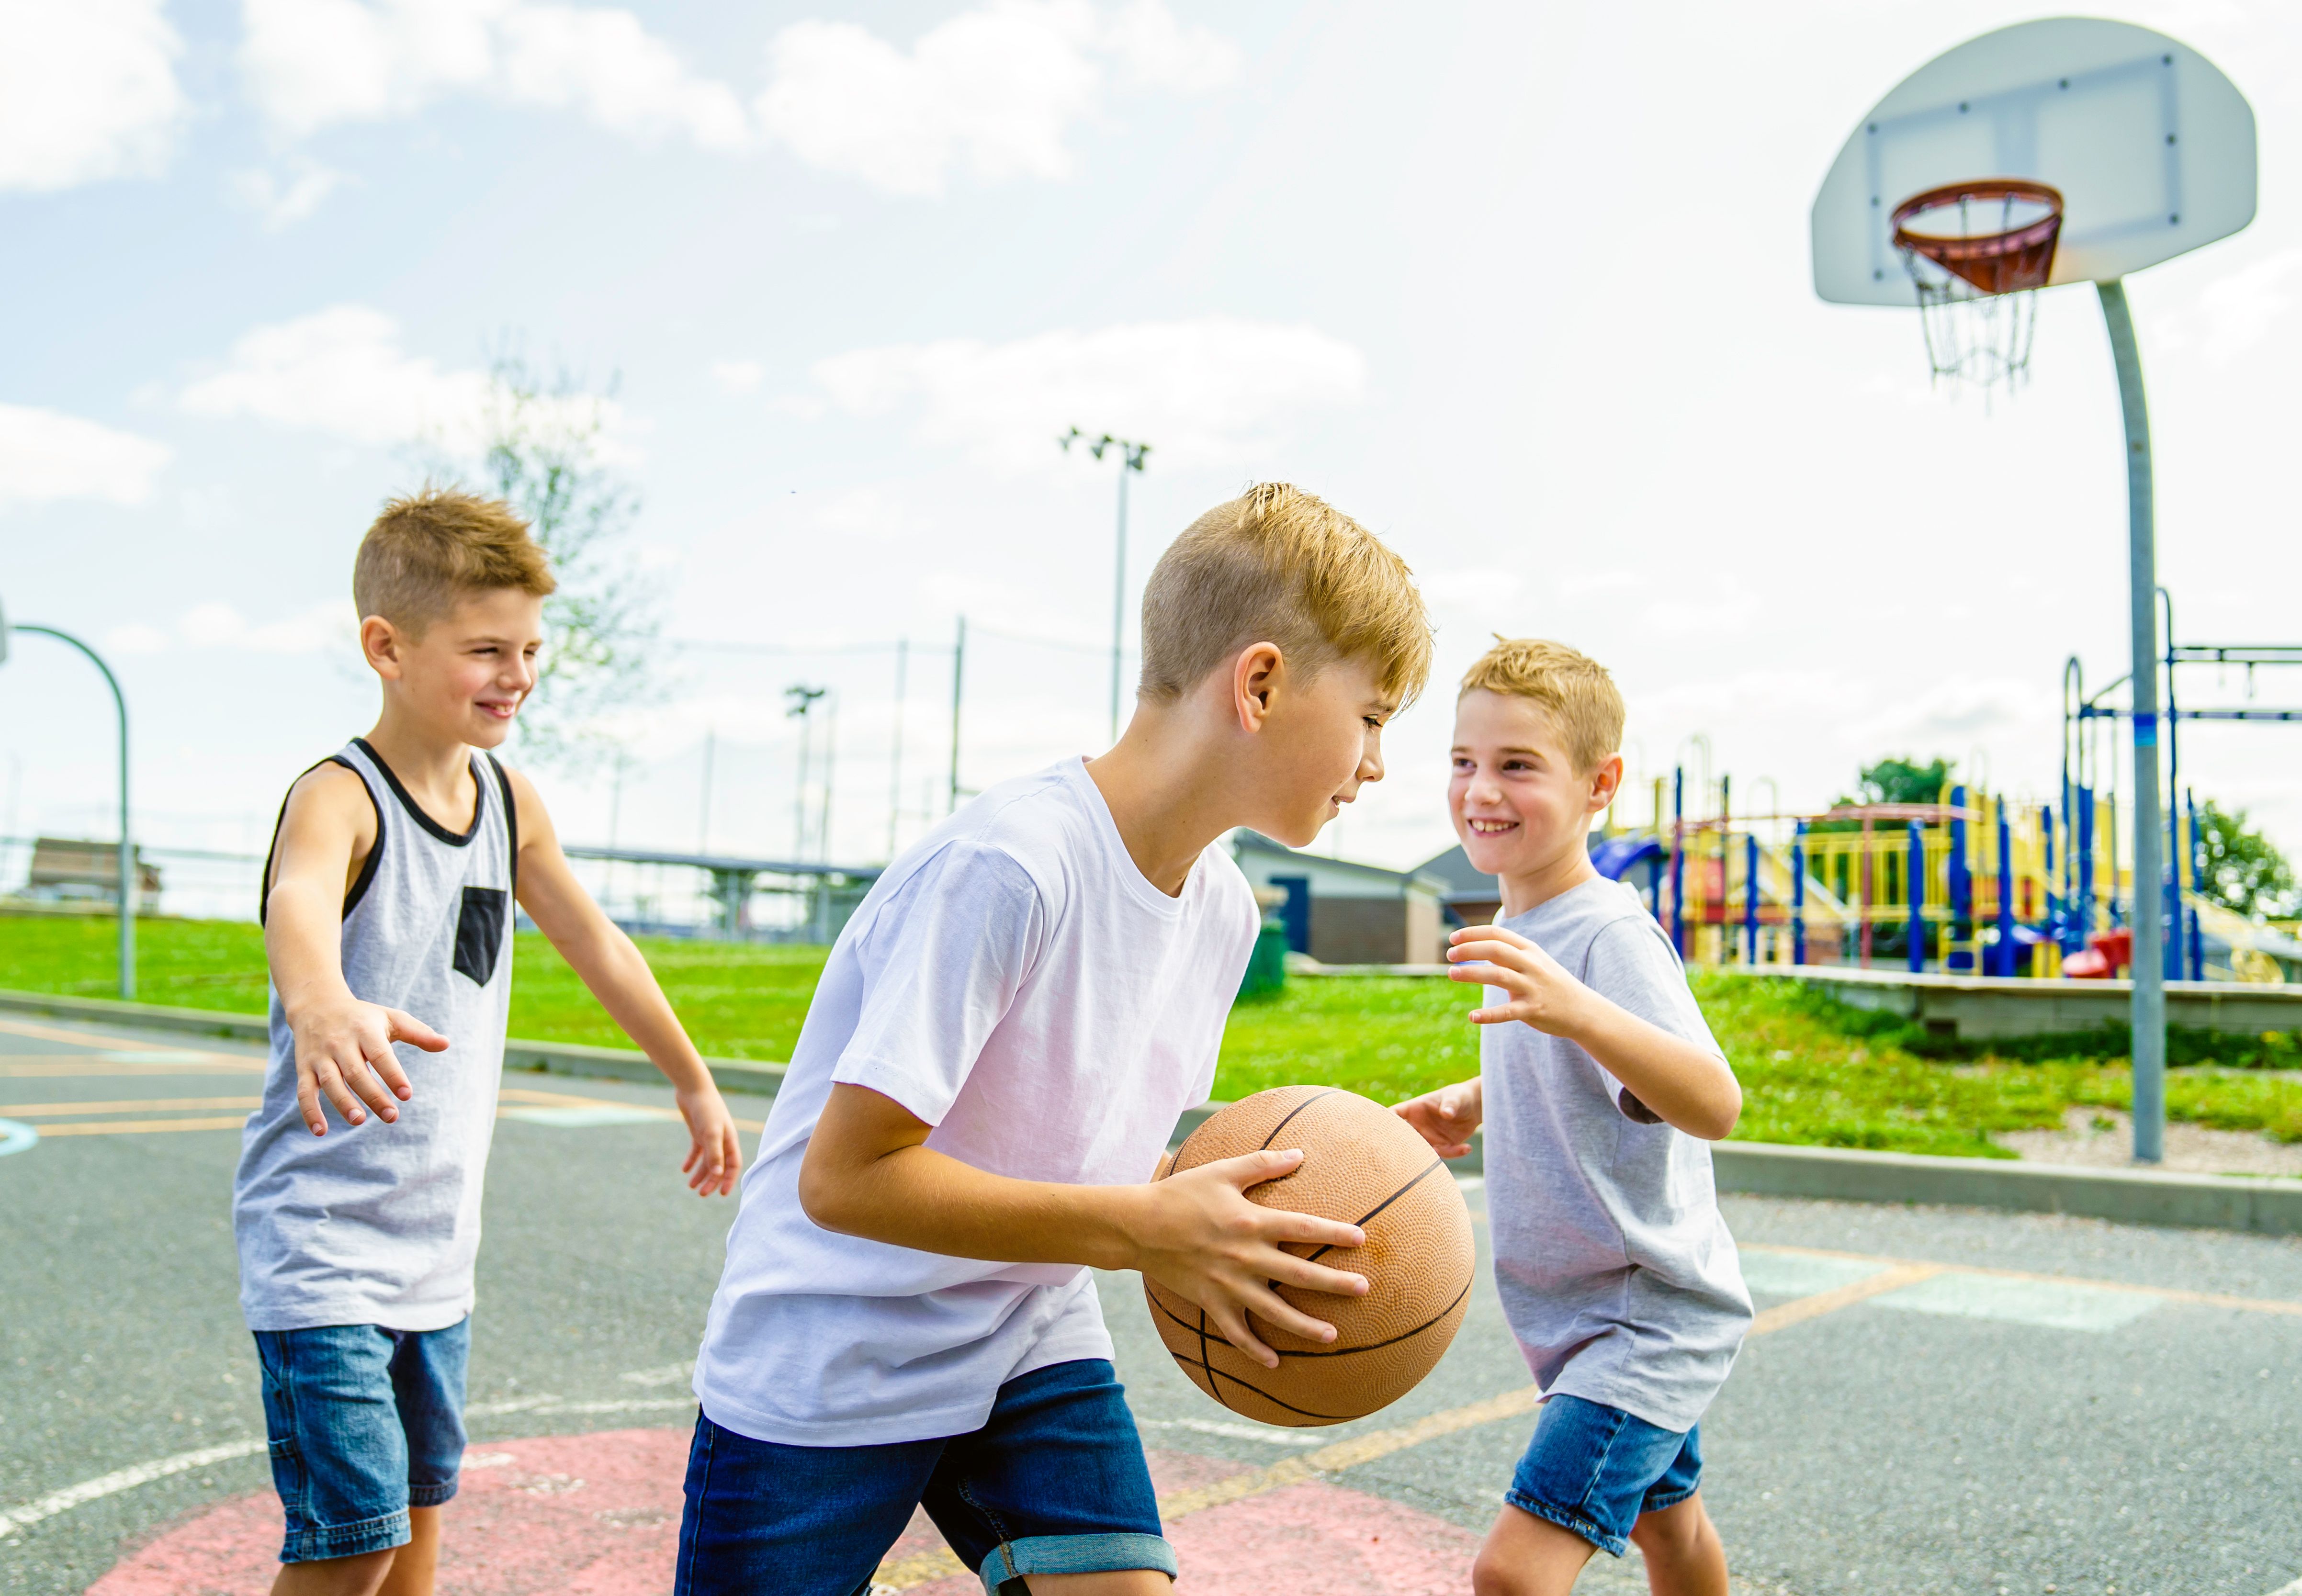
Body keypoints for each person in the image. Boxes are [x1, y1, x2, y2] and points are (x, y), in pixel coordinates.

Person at [679, 484, 1433, 1596]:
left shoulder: (1221, 912)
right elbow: (843, 1179)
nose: (1376, 762)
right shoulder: (1012, 865)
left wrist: (1334, 1172)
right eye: (1372, 716)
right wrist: (1141, 1227)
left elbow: (1091, 1152)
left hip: (1024, 1330)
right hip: (833, 1354)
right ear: (1261, 683)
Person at [234, 489, 745, 1596]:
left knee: (418, 1530)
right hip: (322, 1249)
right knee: (356, 1535)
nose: (516, 674)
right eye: (484, 650)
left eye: (529, 650)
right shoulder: (339, 795)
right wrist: (320, 1001)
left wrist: (693, 1079)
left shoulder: (510, 802)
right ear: (387, 647)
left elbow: (598, 942)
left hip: (435, 1255)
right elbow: (297, 895)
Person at [1393, 636, 1753, 1596]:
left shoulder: (1606, 933)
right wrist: (1471, 1100)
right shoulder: (1521, 928)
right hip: (1579, 1317)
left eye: (1518, 765)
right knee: (1673, 1531)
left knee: (1513, 1573)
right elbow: (1579, 1066)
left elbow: (1713, 1101)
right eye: (1464, 760)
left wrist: (1578, 1007)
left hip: (1640, 1321)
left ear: (1601, 784)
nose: (1482, 789)